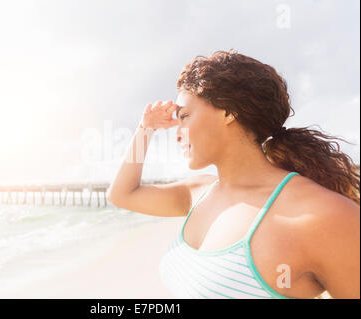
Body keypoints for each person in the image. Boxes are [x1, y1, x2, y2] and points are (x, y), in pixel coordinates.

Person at [106, 49, 360, 299]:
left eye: (184, 116)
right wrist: (145, 129)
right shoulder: (199, 193)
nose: (177, 132)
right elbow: (122, 195)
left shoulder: (322, 215)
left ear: (229, 112)